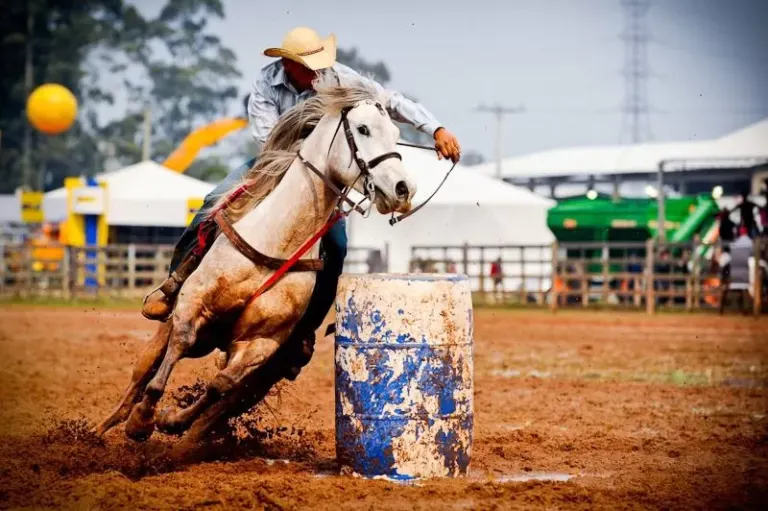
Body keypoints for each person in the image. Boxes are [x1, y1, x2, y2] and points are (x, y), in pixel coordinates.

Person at [141, 27, 461, 377]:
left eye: (319, 66)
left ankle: (301, 331)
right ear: (288, 64)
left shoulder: (338, 77)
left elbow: (391, 100)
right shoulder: (266, 84)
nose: (316, 74)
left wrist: (436, 129)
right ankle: (173, 286)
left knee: (336, 248)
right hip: (274, 163)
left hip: (323, 176)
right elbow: (267, 140)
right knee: (211, 204)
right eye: (309, 67)